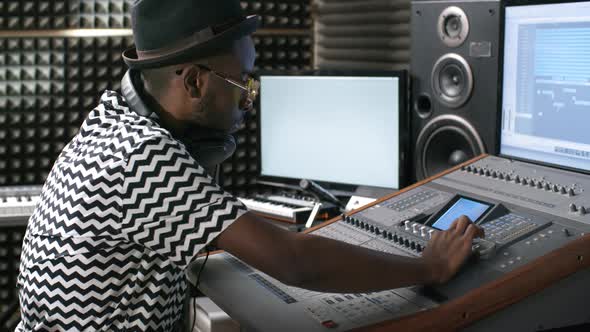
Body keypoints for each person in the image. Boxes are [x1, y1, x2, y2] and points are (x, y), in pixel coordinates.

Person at [16, 0, 483, 331]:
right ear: (196, 83)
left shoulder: (111, 120)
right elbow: (295, 264)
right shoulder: (145, 155)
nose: (249, 99)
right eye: (242, 83)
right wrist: (429, 266)